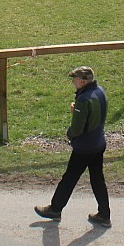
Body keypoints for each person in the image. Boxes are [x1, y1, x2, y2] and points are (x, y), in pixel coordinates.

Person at [34, 66, 110, 228]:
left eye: (74, 80)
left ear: (82, 81)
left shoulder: (83, 100)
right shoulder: (100, 91)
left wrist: (71, 132)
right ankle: (104, 214)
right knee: (97, 180)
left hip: (84, 147)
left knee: (69, 179)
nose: (73, 82)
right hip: (98, 143)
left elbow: (77, 128)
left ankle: (55, 209)